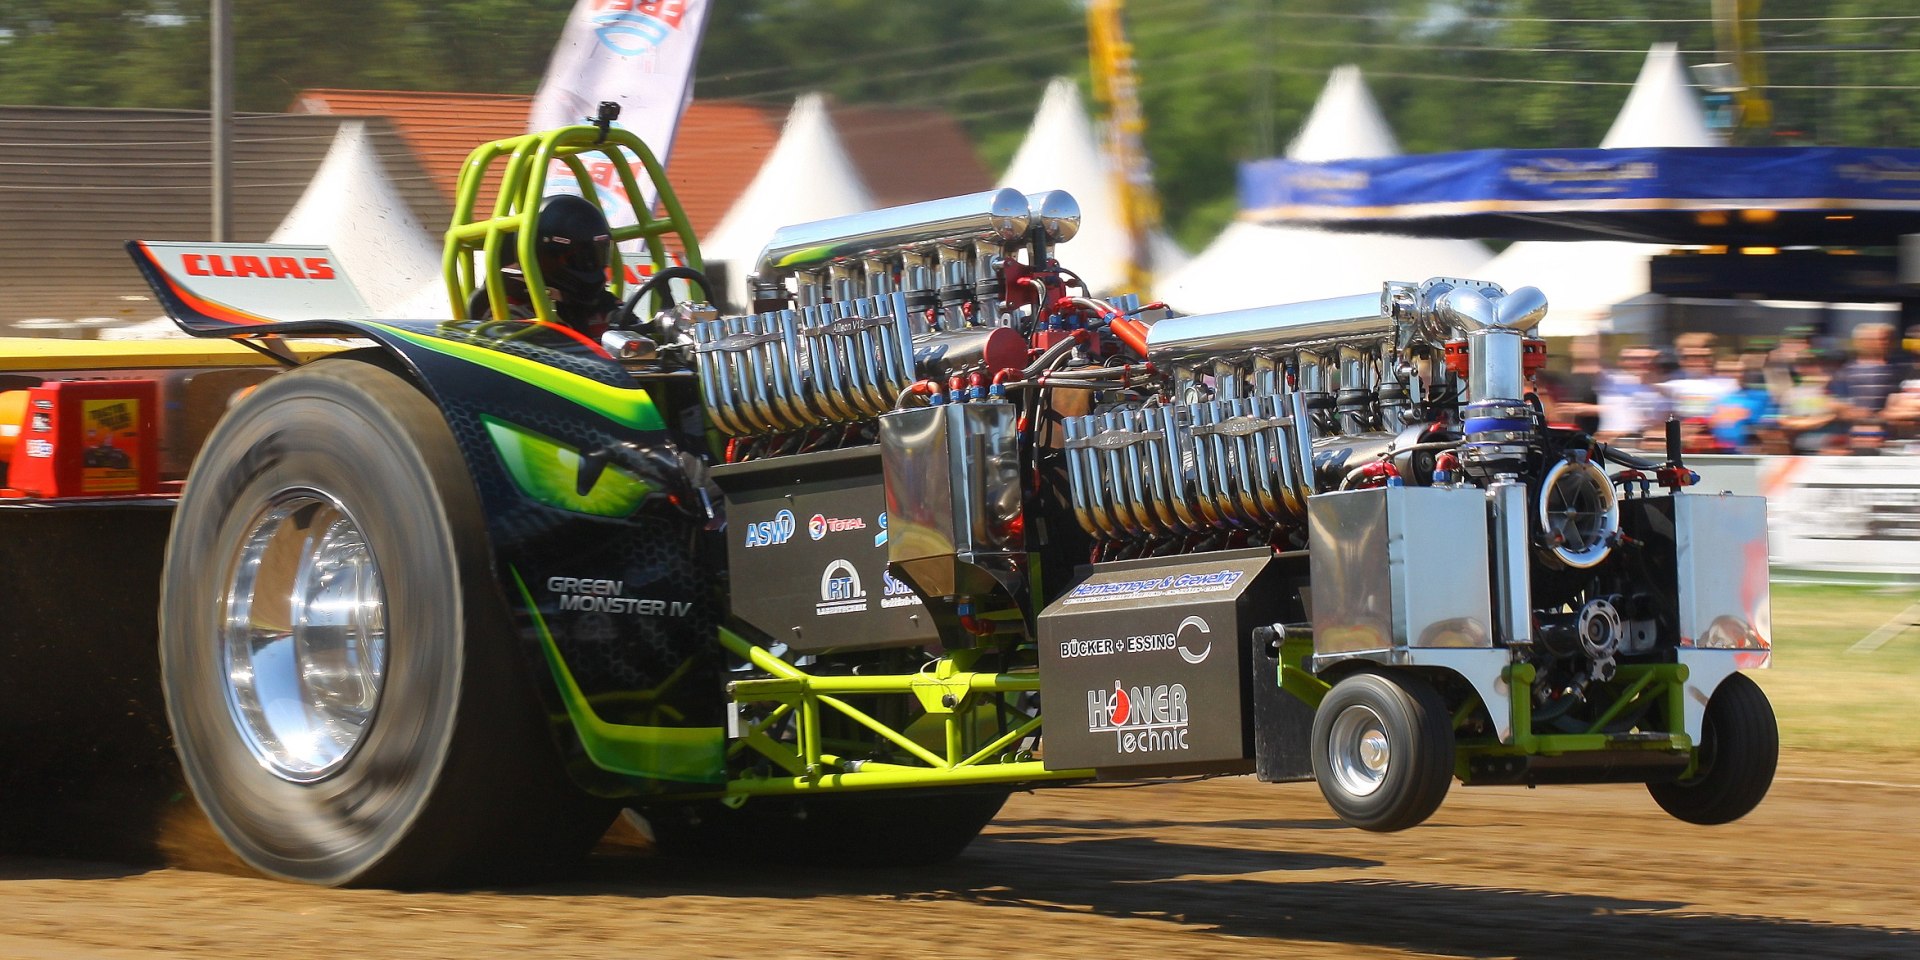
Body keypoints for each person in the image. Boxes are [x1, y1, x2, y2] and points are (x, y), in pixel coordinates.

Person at [467, 194, 622, 336]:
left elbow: (632, 333)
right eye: (578, 256)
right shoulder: (511, 309)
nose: (590, 262)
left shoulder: (600, 303)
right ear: (547, 254)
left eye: (596, 254)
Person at [1829, 322, 1910, 419]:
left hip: (1891, 426)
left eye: (1888, 339)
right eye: (1880, 339)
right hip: (1858, 427)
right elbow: (1836, 400)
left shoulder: (1900, 369)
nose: (1884, 343)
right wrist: (1847, 410)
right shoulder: (1845, 371)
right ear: (1861, 342)